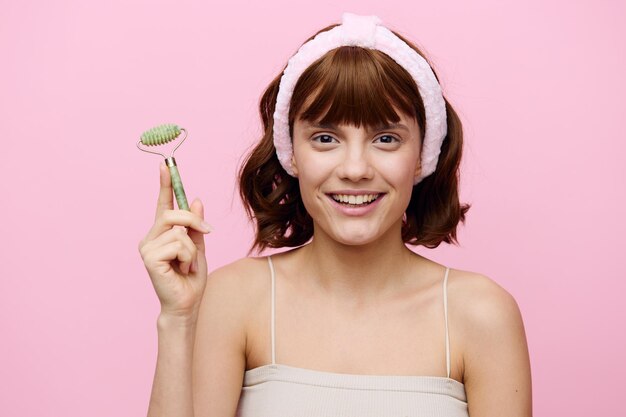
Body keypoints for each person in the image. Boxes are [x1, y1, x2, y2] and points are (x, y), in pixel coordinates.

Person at [139, 12, 532, 417]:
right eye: (325, 138)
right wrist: (178, 319)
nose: (355, 168)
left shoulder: (483, 315)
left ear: (422, 157)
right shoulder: (235, 300)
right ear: (291, 154)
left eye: (386, 138)